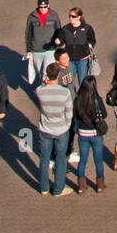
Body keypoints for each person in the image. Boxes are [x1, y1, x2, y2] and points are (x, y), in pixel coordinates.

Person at [35, 63, 74, 197]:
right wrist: (67, 125)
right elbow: (69, 112)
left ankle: (44, 187)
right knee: (61, 158)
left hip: (45, 129)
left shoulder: (40, 91)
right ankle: (58, 189)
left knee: (44, 159)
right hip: (61, 129)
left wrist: (45, 83)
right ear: (58, 75)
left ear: (47, 75)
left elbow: (39, 88)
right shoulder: (65, 92)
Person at [74, 74, 107, 194]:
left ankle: (81, 186)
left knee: (83, 159)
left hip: (82, 134)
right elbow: (104, 115)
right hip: (95, 133)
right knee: (98, 160)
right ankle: (100, 184)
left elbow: (75, 116)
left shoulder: (77, 100)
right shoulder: (97, 100)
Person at [55, 7, 97, 87]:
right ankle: (71, 98)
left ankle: (82, 98)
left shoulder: (87, 28)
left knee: (82, 82)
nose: (71, 18)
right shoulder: (66, 28)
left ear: (79, 17)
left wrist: (88, 47)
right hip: (70, 60)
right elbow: (61, 41)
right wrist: (58, 41)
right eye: (69, 16)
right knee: (69, 82)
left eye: (73, 16)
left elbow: (92, 40)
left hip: (83, 60)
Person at [24, 0, 62, 83]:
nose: (43, 9)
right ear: (38, 7)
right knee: (40, 72)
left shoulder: (54, 15)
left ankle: (47, 91)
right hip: (37, 49)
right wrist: (29, 49)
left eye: (45, 7)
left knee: (47, 72)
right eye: (40, 7)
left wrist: (57, 43)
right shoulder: (32, 16)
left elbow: (59, 30)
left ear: (48, 6)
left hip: (50, 49)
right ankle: (44, 89)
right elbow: (28, 34)